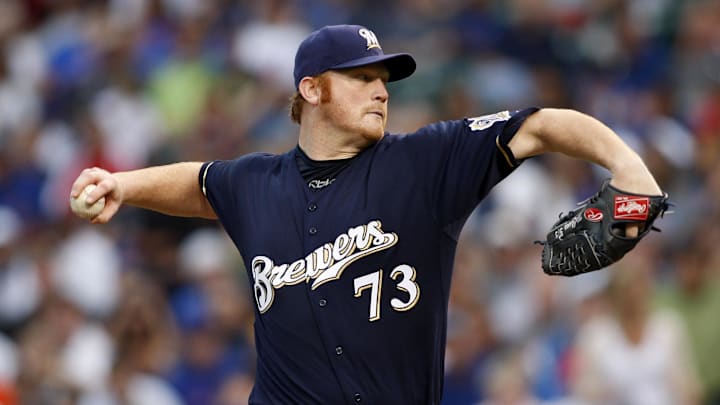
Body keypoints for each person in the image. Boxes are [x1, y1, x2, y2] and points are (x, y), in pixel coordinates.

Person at [70, 24, 663, 404]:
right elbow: (199, 184)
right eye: (362, 78)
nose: (382, 90)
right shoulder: (254, 183)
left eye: (384, 79)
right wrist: (121, 183)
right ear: (311, 90)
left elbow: (540, 126)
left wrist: (628, 168)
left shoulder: (424, 164)